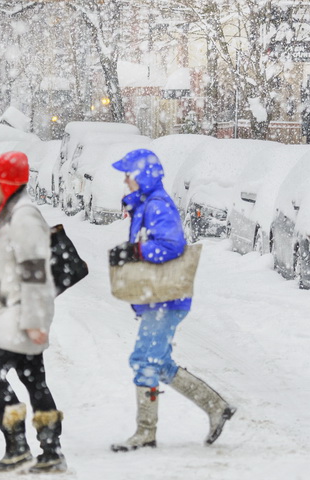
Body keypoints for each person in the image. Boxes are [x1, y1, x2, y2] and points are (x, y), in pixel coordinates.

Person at [108, 148, 236, 452]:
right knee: (160, 363)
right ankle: (216, 406)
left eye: (129, 174)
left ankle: (145, 432)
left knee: (145, 361)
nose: (125, 180)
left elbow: (172, 245)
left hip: (165, 300)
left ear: (143, 176)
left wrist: (137, 253)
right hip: (161, 298)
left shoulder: (157, 206)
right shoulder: (147, 204)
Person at [0, 151, 66, 473]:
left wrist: (34, 321)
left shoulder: (24, 215)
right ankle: (51, 451)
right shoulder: (9, 211)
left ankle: (18, 447)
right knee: (33, 379)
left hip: (19, 313)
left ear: (9, 183)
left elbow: (34, 270)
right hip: (11, 309)